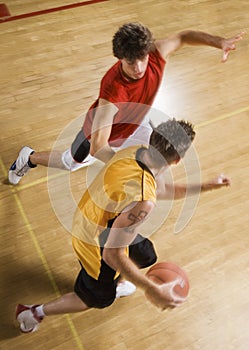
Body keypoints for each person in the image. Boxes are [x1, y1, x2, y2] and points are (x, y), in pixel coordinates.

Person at [16, 118, 230, 333]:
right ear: (177, 161)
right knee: (97, 298)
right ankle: (32, 312)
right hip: (92, 239)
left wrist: (207, 186)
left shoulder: (135, 151)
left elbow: (162, 190)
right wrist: (152, 289)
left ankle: (117, 282)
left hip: (100, 216)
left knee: (146, 256)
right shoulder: (143, 202)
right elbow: (112, 255)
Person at [8, 23, 244, 185]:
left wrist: (218, 41)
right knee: (69, 163)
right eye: (131, 62)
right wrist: (127, 169)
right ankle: (28, 158)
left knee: (160, 152)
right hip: (101, 136)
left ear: (147, 51)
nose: (139, 67)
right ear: (119, 58)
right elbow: (98, 145)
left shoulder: (155, 53)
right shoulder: (113, 90)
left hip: (136, 122)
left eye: (141, 58)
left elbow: (182, 37)